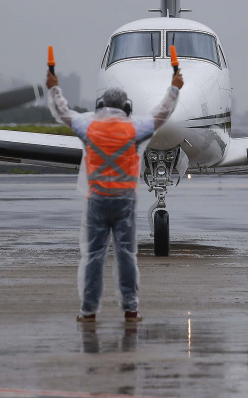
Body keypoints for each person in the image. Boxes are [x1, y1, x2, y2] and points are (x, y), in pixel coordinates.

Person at [46, 69, 184, 322]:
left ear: (101, 105)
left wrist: (54, 88)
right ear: (127, 107)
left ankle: (88, 311)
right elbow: (162, 114)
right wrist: (174, 88)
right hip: (125, 202)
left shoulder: (88, 126)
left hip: (97, 200)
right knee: (126, 256)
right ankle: (131, 309)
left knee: (93, 257)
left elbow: (63, 113)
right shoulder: (135, 127)